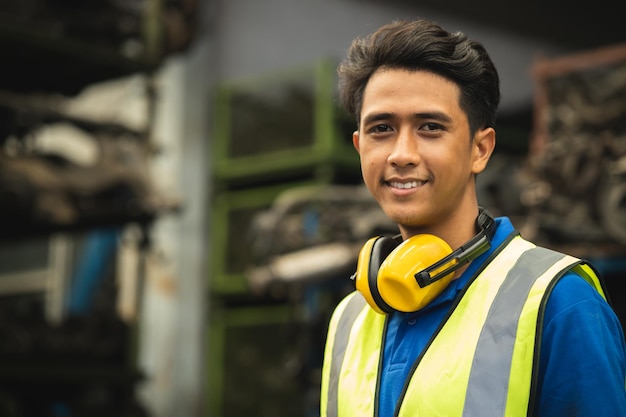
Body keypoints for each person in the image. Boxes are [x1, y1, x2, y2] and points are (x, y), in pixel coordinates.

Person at [319, 18, 626, 417]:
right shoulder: (349, 319)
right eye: (382, 128)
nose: (401, 153)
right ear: (360, 146)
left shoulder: (560, 302)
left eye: (430, 127)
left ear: (480, 149)